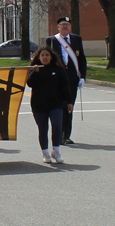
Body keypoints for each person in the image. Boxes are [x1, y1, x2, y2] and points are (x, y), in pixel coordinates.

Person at [45, 16, 87, 145]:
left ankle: (66, 135)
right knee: (59, 107)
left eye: (67, 24)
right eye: (63, 24)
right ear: (58, 27)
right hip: (56, 80)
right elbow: (47, 59)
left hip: (72, 80)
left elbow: (82, 59)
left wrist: (82, 77)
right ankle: (58, 134)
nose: (65, 26)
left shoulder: (76, 39)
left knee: (69, 107)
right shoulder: (52, 40)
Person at [27, 45, 72, 163]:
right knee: (43, 129)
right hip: (39, 105)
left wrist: (69, 101)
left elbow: (65, 86)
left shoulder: (58, 70)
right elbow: (30, 84)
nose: (45, 57)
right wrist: (35, 73)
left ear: (51, 57)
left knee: (57, 125)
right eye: (42, 55)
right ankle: (45, 153)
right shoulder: (35, 69)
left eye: (47, 55)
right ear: (39, 57)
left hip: (55, 104)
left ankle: (56, 151)